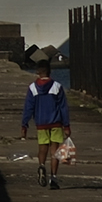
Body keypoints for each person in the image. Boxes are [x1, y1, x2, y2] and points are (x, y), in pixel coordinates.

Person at [19, 57, 71, 189]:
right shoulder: (57, 86)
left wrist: (24, 124)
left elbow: (28, 108)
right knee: (55, 152)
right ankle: (53, 178)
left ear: (38, 72)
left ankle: (42, 166)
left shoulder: (32, 88)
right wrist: (66, 125)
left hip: (41, 123)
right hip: (56, 123)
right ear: (49, 71)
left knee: (42, 149)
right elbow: (63, 108)